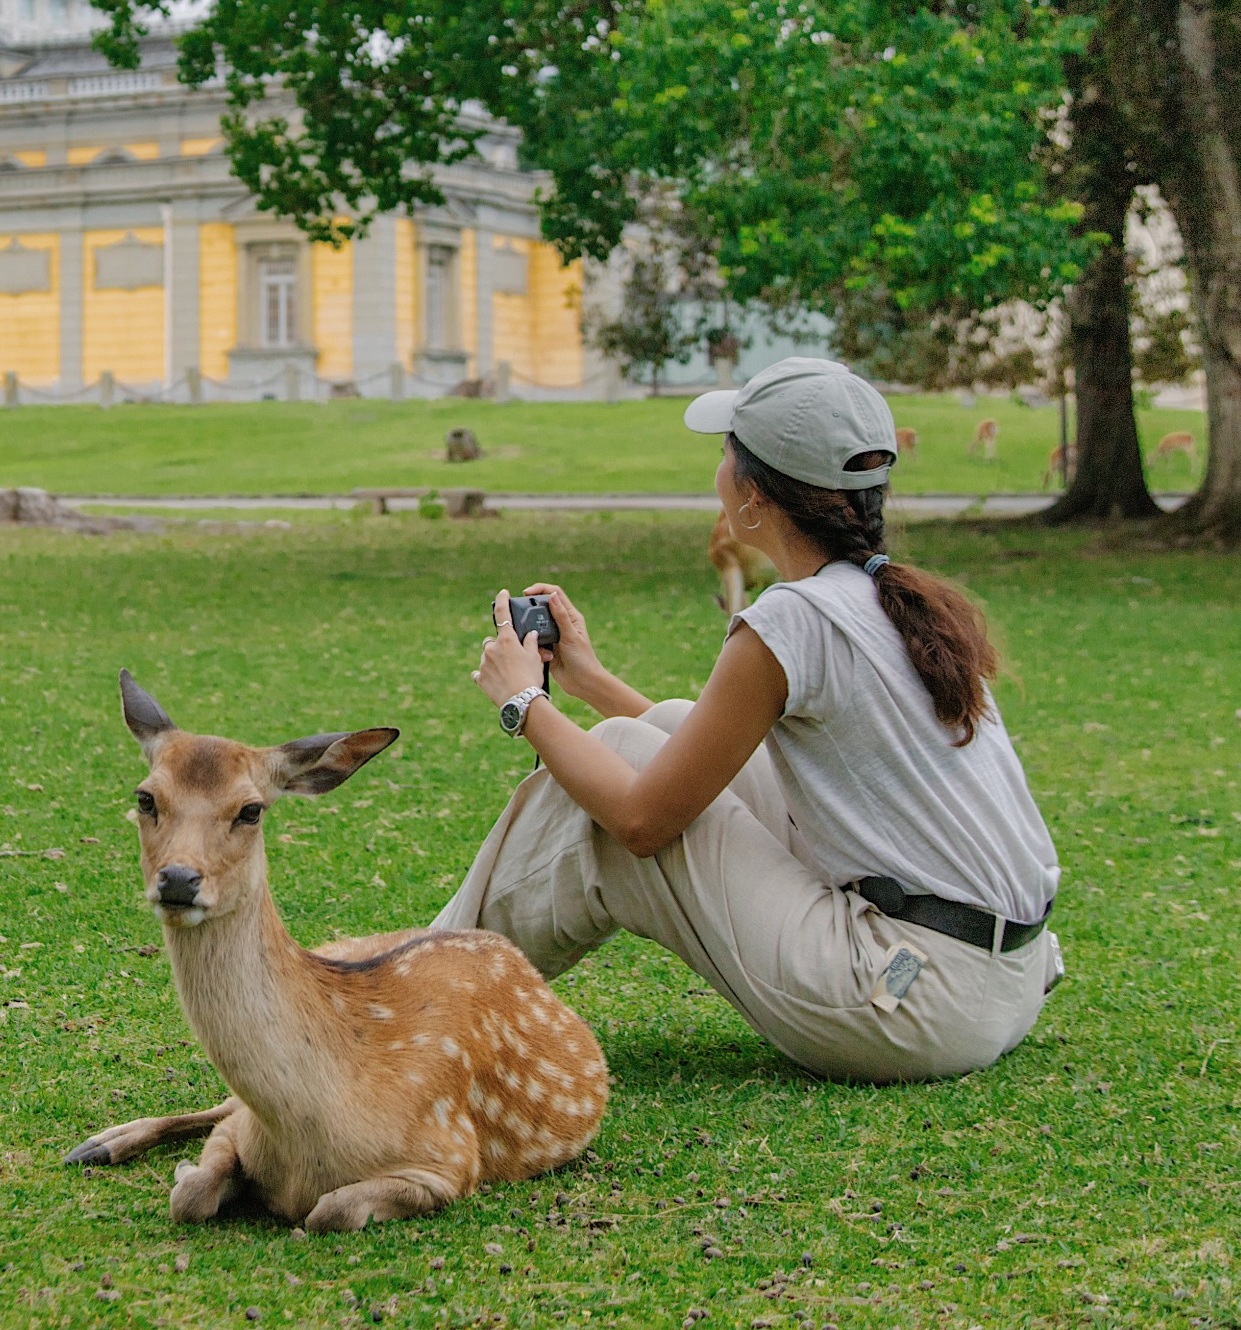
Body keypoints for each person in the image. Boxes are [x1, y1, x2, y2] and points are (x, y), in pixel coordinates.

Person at [433, 357, 1062, 1082]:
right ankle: (427, 975)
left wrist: (524, 703)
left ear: (756, 497)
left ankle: (415, 993)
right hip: (995, 985)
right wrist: (591, 680)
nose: (719, 471)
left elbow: (642, 821)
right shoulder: (883, 597)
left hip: (913, 1004)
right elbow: (702, 748)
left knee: (608, 789)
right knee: (660, 724)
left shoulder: (791, 621)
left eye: (726, 452)